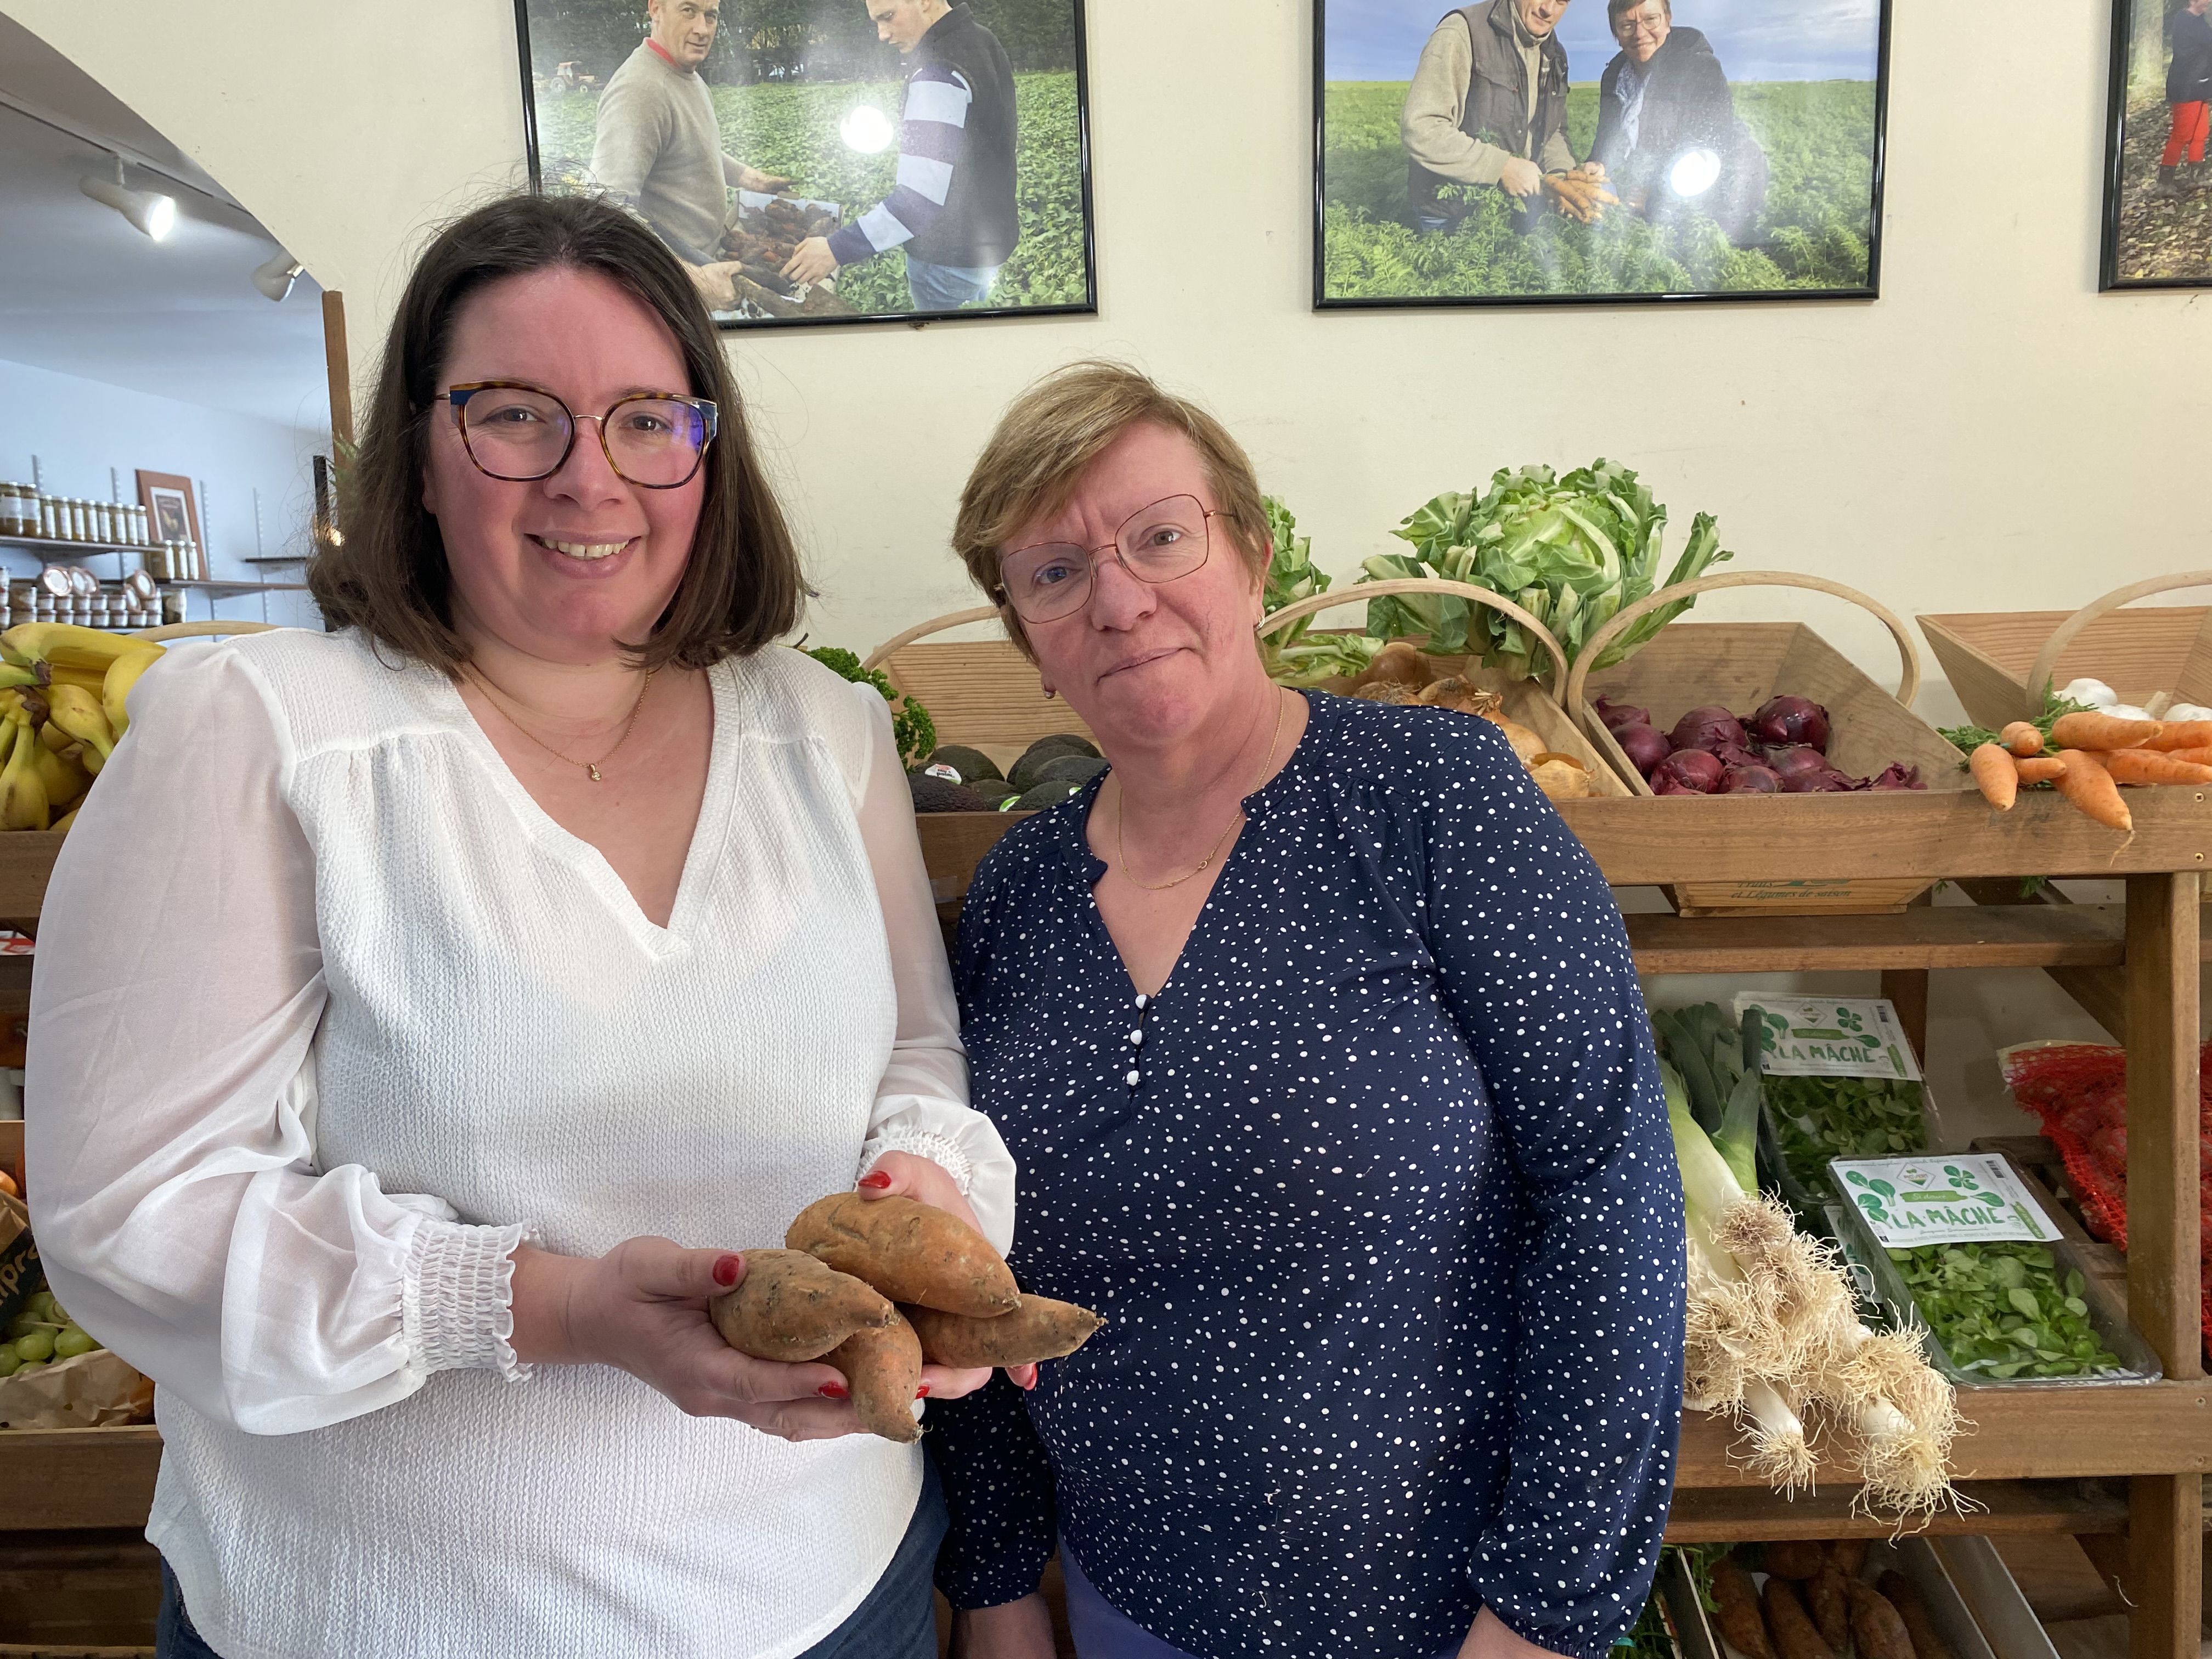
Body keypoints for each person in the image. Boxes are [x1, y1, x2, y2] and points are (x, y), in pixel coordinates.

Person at [25, 193, 1016, 1659]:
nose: (588, 479)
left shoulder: (826, 729)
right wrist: (545, 1307)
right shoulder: (263, 731)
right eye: (514, 416)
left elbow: (918, 1049)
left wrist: (924, 1185)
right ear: (421, 453)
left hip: (831, 1589)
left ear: (704, 448)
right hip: (393, 1620)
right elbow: (129, 1217)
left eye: (642, 419)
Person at [927, 361, 1684, 1659]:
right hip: (1131, 1606)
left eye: (1161, 535)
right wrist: (998, 1590)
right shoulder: (1018, 894)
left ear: (1255, 555)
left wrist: (1548, 1613)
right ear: (1029, 645)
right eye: (1054, 574)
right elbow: (970, 1270)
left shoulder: (1432, 797)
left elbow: (1609, 1194)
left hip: (1446, 1617)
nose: (1119, 600)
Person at [780, 0, 1020, 312]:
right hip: (987, 248)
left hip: (945, 263)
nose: (882, 34)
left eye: (888, 17)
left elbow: (918, 200)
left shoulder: (937, 73)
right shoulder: (981, 38)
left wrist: (835, 249)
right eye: (877, 22)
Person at [590, 0, 791, 309]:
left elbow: (695, 148)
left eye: (710, 16)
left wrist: (751, 179)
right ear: (655, 9)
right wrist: (693, 280)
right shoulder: (639, 90)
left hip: (709, 257)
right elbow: (607, 210)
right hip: (675, 280)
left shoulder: (687, 75)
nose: (702, 29)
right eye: (688, 11)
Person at [1401, 0, 1604, 233]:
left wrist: (1561, 176)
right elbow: (1422, 127)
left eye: (1561, 1)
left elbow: (1552, 130)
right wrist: (1501, 167)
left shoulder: (1554, 53)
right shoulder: (1463, 31)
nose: (1548, 9)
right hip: (1452, 212)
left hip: (1514, 209)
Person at [1588, 0, 1768, 242]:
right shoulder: (1615, 76)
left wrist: (1653, 201)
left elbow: (1709, 154)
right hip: (1660, 185)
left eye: (1650, 19)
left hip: (1724, 189)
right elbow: (1607, 139)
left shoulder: (1699, 66)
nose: (1640, 34)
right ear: (1616, 34)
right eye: (1627, 25)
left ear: (1668, 20)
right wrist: (1597, 164)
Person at [2155, 0, 2212, 198]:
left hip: (2200, 84)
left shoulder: (2199, 21)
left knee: (2200, 132)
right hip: (2186, 85)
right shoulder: (2185, 22)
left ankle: (2196, 177)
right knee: (2181, 134)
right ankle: (2164, 183)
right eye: (2204, 0)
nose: (2207, 3)